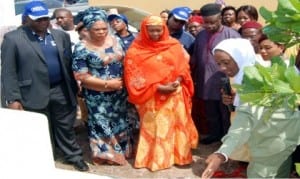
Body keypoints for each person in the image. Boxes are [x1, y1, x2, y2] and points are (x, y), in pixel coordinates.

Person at [1, 1, 88, 171]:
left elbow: (68, 64)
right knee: (39, 128)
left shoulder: (60, 35)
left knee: (66, 126)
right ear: (26, 19)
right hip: (31, 91)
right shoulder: (13, 39)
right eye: (37, 19)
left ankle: (73, 156)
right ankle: (44, 157)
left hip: (61, 89)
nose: (42, 21)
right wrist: (12, 98)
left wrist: (75, 86)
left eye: (45, 18)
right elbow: (8, 71)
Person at [202, 38, 300, 178]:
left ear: (240, 56)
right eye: (218, 64)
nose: (222, 68)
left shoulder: (256, 78)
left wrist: (222, 153)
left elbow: (245, 119)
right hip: (283, 139)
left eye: (226, 62)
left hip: (271, 143)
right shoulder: (252, 71)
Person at [124, 15, 198, 171]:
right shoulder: (135, 50)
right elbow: (133, 75)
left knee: (175, 125)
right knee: (156, 126)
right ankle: (156, 160)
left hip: (174, 93)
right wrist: (158, 87)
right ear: (145, 30)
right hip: (151, 96)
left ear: (164, 29)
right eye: (151, 31)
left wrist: (177, 81)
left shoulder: (173, 45)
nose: (155, 34)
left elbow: (182, 66)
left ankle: (179, 156)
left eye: (159, 30)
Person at [72, 7, 133, 165]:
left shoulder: (116, 40)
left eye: (104, 28)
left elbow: (125, 61)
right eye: (96, 29)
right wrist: (107, 83)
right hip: (97, 95)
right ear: (88, 28)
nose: (101, 32)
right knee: (101, 123)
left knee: (120, 120)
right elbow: (81, 76)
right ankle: (106, 155)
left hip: (119, 93)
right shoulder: (81, 48)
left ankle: (122, 150)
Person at [190, 3, 240, 144]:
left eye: (213, 22)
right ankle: (214, 135)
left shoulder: (232, 35)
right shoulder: (200, 36)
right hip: (205, 81)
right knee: (210, 112)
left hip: (225, 80)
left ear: (220, 19)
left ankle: (227, 139)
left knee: (226, 113)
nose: (209, 26)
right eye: (206, 23)